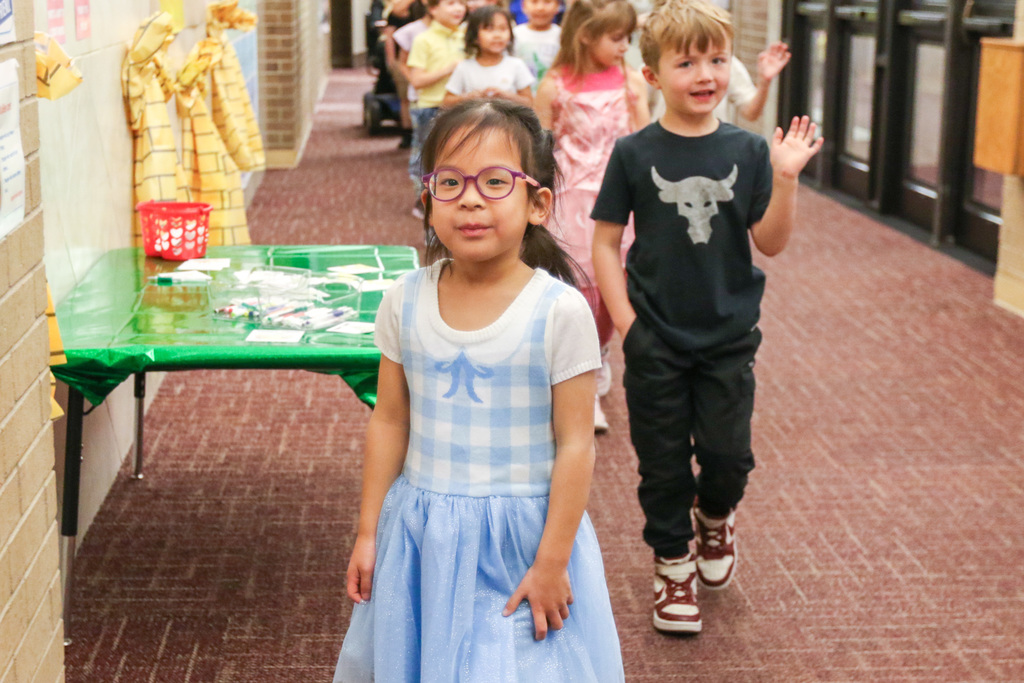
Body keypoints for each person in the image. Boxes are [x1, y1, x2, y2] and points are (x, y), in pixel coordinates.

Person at [333, 99, 624, 682]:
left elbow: (575, 445)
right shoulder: (404, 299)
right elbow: (390, 420)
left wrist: (552, 561)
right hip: (423, 536)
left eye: (495, 182)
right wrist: (369, 533)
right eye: (450, 182)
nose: (470, 199)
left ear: (538, 203)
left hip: (522, 542)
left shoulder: (559, 311)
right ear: (427, 200)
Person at [590, 0, 822, 634]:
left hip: (727, 337)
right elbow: (606, 242)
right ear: (652, 75)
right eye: (686, 61)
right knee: (661, 462)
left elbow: (770, 243)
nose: (705, 74)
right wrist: (629, 326)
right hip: (655, 338)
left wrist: (786, 179)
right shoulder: (635, 154)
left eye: (717, 60)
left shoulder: (748, 151)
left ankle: (715, 519)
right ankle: (672, 565)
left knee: (728, 457)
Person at [534, 0, 649, 433]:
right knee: (577, 281)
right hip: (571, 198)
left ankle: (599, 353)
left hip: (620, 197)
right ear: (586, 36)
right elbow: (539, 147)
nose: (624, 47)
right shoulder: (555, 84)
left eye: (628, 38)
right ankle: (582, 372)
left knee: (614, 280)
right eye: (616, 38)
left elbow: (644, 137)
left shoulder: (630, 81)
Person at [406, 0, 469, 219]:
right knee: (425, 156)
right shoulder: (424, 40)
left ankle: (451, 198)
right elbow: (417, 80)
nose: (458, 8)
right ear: (432, 9)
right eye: (451, 3)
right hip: (430, 108)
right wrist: (448, 69)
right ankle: (423, 200)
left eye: (462, 3)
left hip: (462, 106)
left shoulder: (468, 36)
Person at [444, 6, 535, 107]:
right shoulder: (464, 67)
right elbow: (446, 102)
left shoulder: (516, 65)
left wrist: (506, 96)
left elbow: (529, 102)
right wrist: (469, 97)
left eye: (503, 29)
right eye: (489, 29)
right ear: (474, 36)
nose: (497, 35)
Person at [383, 0, 428, 148]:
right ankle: (407, 133)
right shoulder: (401, 8)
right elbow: (389, 34)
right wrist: (391, 61)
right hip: (403, 59)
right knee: (406, 97)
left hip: (426, 59)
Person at [513, 0, 562, 86]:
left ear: (558, 6)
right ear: (523, 6)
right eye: (534, 2)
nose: (540, 8)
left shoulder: (563, 36)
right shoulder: (515, 34)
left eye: (547, 2)